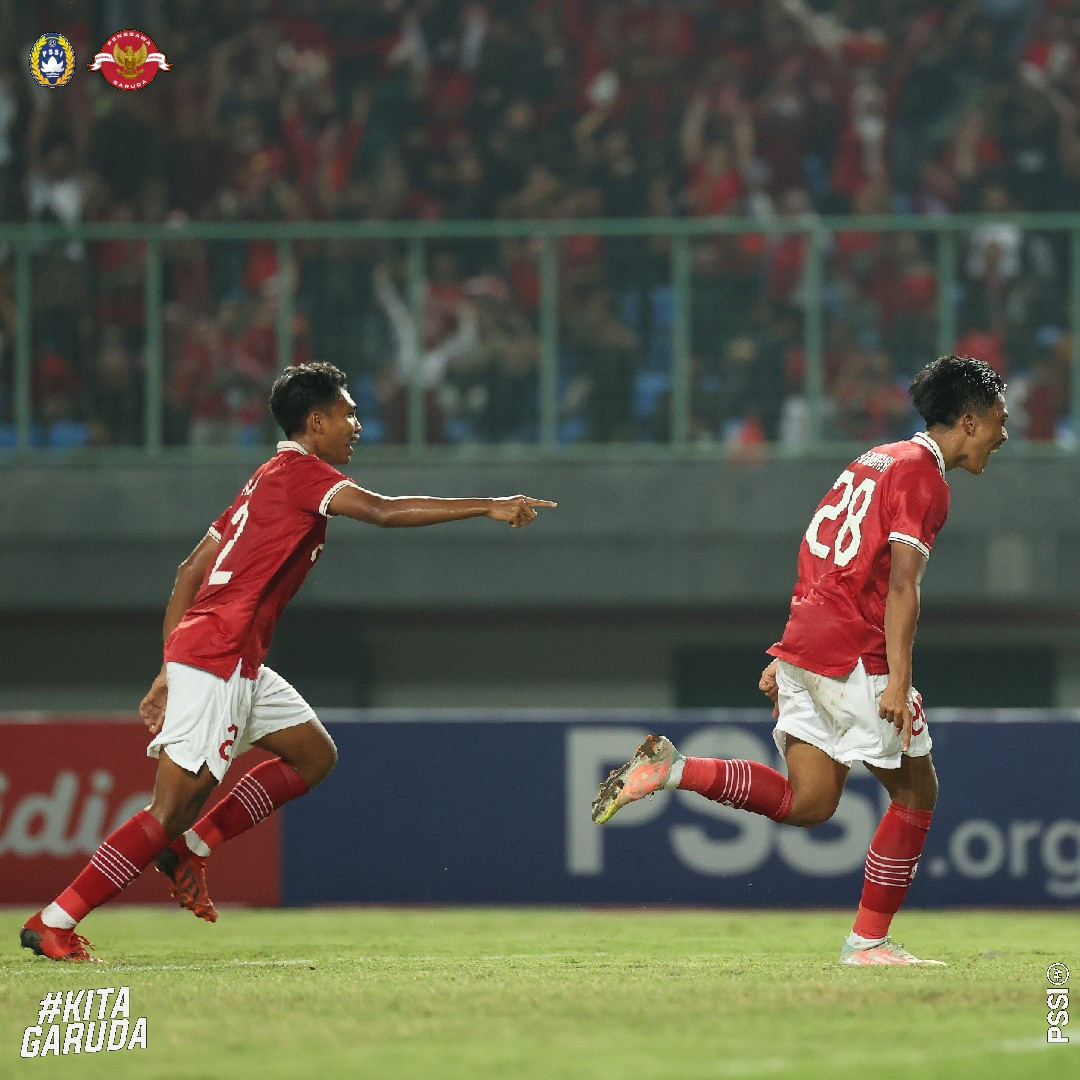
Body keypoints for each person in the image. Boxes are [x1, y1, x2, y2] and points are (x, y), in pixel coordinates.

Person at [21, 362, 556, 961]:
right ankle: (55, 921)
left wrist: (170, 664)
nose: (357, 425)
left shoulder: (264, 478)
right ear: (316, 422)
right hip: (219, 654)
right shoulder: (301, 473)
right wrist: (488, 505)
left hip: (234, 658)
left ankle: (193, 847)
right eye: (349, 413)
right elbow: (382, 511)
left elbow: (190, 570)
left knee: (313, 756)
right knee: (170, 808)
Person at [591, 354, 1008, 967]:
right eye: (1000, 419)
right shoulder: (925, 478)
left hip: (811, 639)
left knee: (809, 802)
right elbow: (902, 585)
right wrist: (897, 681)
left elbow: (821, 550)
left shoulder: (873, 460)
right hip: (856, 653)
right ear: (969, 420)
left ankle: (673, 770)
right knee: (918, 794)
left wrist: (796, 648)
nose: (1005, 433)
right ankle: (867, 943)